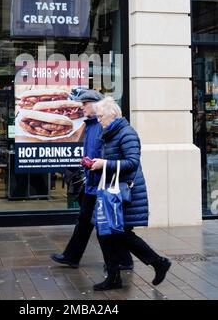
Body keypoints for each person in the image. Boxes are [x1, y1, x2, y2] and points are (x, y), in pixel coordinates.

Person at [90, 96, 171, 291]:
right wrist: (96, 164)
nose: (98, 120)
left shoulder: (126, 133)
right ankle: (116, 276)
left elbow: (132, 162)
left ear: (112, 114)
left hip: (125, 194)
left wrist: (104, 164)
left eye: (100, 116)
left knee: (119, 234)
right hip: (114, 193)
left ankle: (157, 262)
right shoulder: (111, 133)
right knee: (108, 233)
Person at [50, 90, 133, 270]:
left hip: (100, 182)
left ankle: (122, 261)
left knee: (103, 224)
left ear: (96, 106)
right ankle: (72, 256)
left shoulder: (102, 125)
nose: (82, 107)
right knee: (86, 220)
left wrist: (95, 167)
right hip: (92, 181)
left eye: (85, 104)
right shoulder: (89, 125)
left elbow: (105, 153)